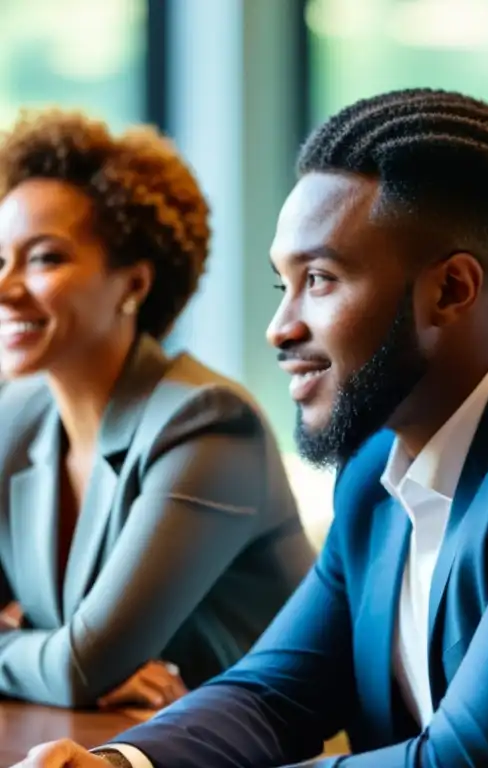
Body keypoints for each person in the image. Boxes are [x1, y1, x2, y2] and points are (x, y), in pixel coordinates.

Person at [18, 89, 488, 768]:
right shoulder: (379, 466)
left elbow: (472, 762)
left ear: (451, 290)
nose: (281, 327)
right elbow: (276, 692)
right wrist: (117, 764)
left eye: (321, 280)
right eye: (285, 283)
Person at [0, 110, 315, 711]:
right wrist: (51, 659)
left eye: (43, 259)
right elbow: (75, 670)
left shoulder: (208, 423)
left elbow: (81, 667)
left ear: (134, 285)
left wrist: (47, 655)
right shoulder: (15, 415)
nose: (5, 287)